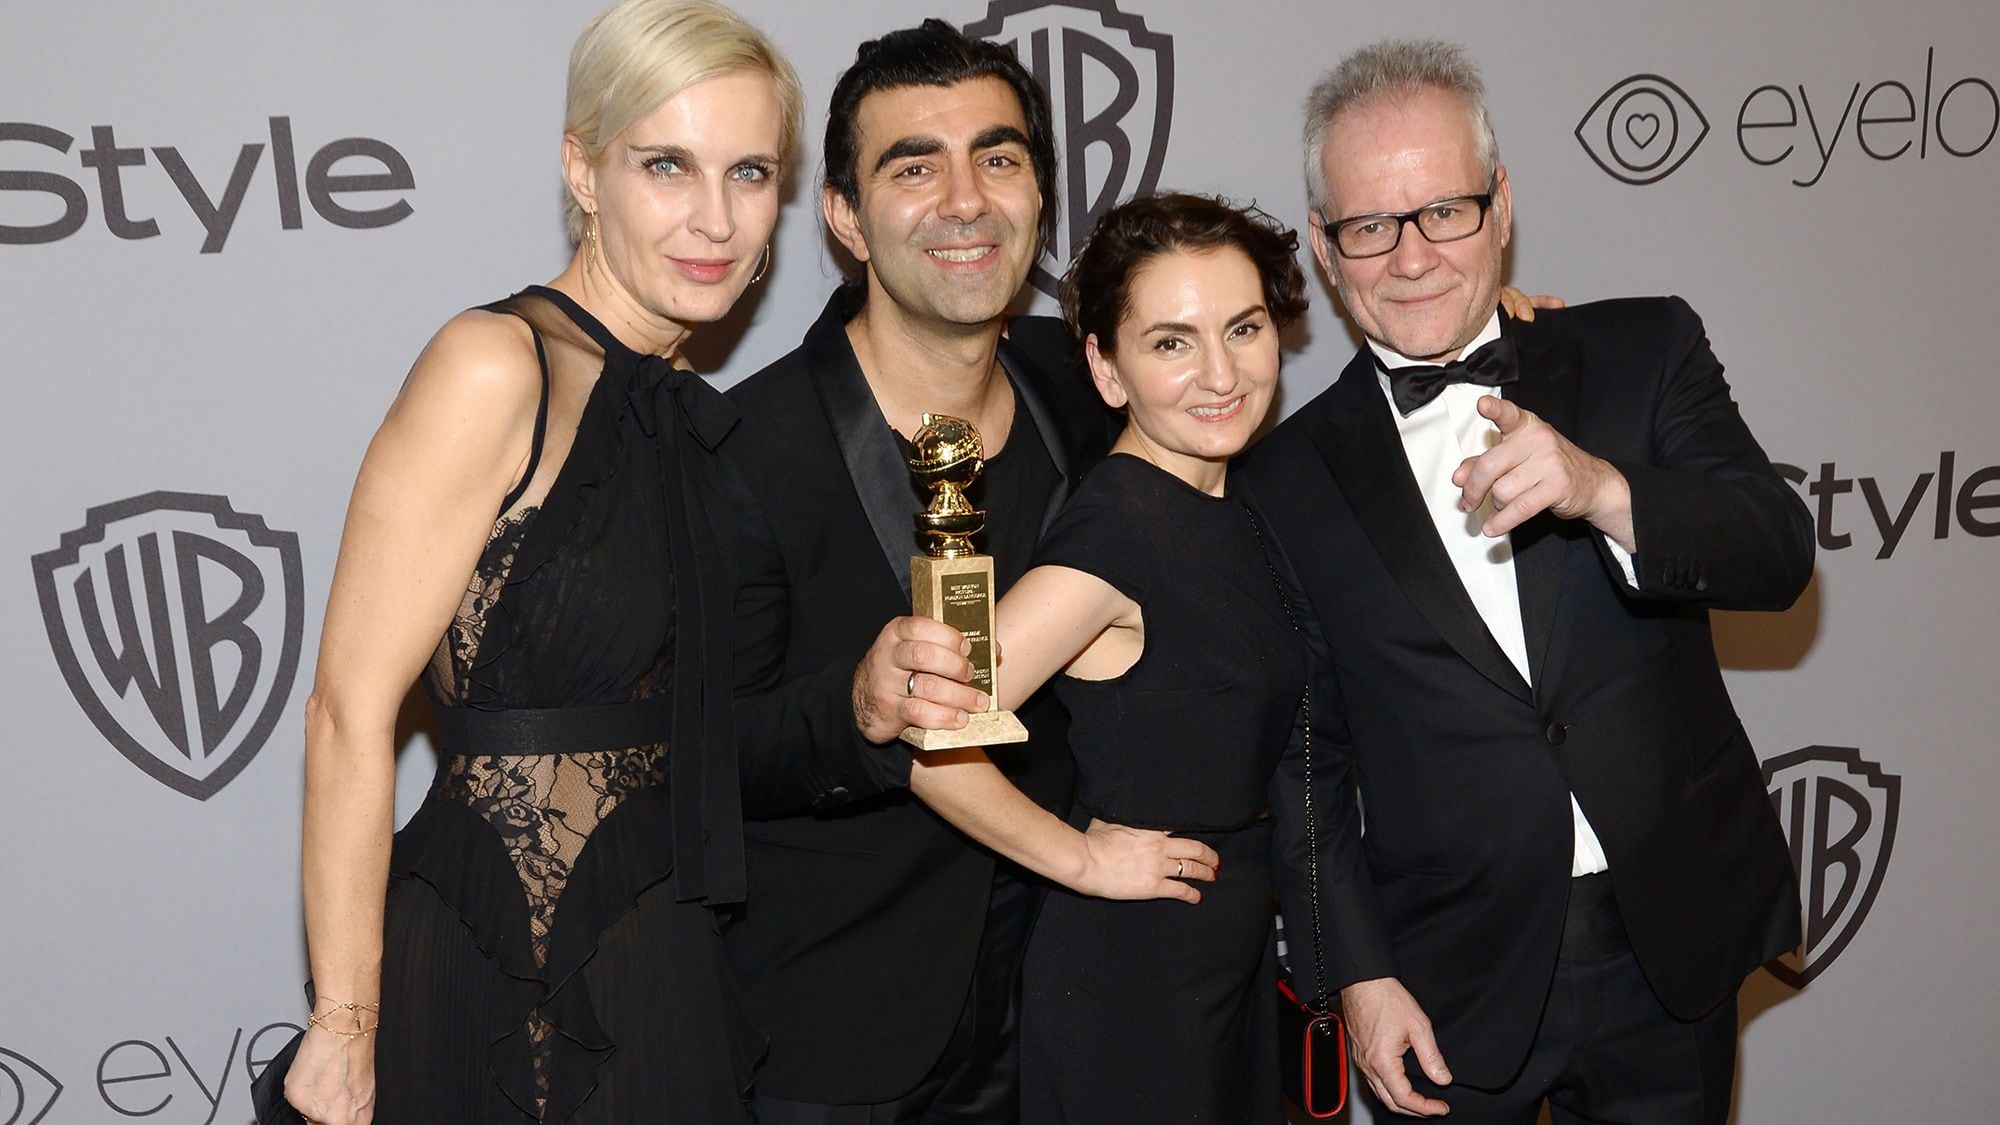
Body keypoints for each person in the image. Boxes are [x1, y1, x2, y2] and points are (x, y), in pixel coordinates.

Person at [1239, 39, 1812, 1124]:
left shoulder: (1642, 349)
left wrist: (1604, 490)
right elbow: (1307, 764)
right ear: (1323, 246)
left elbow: (1776, 551)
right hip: (1445, 976)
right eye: (1370, 225)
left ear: (1499, 205)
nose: (1411, 257)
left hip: (1670, 943)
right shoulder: (1283, 479)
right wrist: (1354, 973)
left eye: (1443, 211)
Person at [253, 2, 802, 1121]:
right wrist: (344, 1026)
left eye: (749, 173)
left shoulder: (679, 409)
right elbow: (347, 713)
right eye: (666, 165)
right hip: (499, 973)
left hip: (664, 965)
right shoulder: (496, 365)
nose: (715, 219)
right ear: (583, 170)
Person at [721, 23, 1203, 1123]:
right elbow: (701, 751)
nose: (965, 200)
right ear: (844, 217)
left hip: (1068, 1007)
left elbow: (1244, 447)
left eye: (997, 157)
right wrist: (854, 707)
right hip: (840, 1043)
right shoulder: (746, 450)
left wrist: (1501, 339)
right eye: (912, 167)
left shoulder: (1086, 391)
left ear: (1039, 193)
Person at [901, 193, 1313, 1123]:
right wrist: (1083, 860)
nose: (1221, 373)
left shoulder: (1228, 501)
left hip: (1223, 955)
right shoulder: (1115, 532)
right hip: (1134, 980)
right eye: (1172, 342)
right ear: (1106, 366)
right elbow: (932, 743)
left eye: (1243, 328)